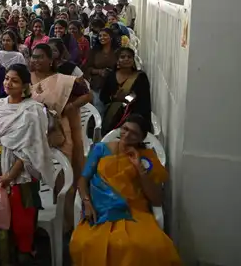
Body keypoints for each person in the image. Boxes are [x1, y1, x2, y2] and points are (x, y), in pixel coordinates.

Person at [70, 114, 181, 266]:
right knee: (86, 243)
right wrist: (87, 202)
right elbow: (83, 180)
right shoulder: (101, 149)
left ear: (141, 138)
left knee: (149, 245)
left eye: (133, 133)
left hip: (134, 212)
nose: (127, 135)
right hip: (101, 210)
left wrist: (139, 168)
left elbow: (156, 199)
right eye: (125, 129)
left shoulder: (147, 158)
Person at [0, 64, 54, 265]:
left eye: (14, 80)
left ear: (24, 86)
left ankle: (24, 256)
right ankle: (3, 259)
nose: (8, 83)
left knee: (22, 224)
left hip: (21, 177)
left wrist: (11, 175)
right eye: (6, 78)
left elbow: (32, 149)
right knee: (0, 221)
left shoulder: (33, 110)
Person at [30, 43, 91, 215]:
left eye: (41, 57)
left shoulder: (63, 80)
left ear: (51, 60)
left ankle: (64, 217)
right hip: (33, 131)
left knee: (63, 172)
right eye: (34, 56)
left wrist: (71, 106)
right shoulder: (25, 78)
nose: (36, 60)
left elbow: (88, 95)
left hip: (59, 130)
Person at [100, 47, 152, 134]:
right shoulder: (111, 76)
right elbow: (103, 96)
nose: (126, 59)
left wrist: (126, 99)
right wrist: (114, 97)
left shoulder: (140, 77)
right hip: (113, 118)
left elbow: (143, 99)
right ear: (117, 61)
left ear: (133, 60)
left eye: (129, 57)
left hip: (133, 118)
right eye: (122, 57)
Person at [85, 28, 118, 117]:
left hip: (114, 83)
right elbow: (88, 68)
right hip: (98, 84)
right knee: (99, 109)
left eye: (105, 35)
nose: (102, 38)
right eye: (100, 36)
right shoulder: (94, 51)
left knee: (113, 111)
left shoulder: (117, 51)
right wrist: (99, 71)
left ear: (111, 37)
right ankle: (99, 124)